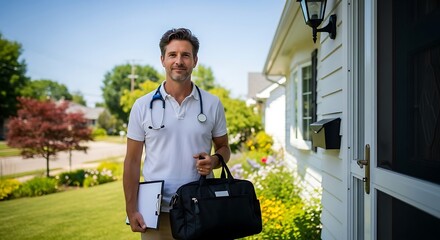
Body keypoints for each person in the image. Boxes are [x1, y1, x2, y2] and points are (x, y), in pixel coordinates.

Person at [123, 28, 231, 240]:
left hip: (201, 208)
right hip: (156, 213)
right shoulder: (142, 106)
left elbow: (224, 148)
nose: (178, 61)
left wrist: (215, 160)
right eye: (172, 55)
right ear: (163, 59)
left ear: (195, 60)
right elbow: (132, 161)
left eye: (185, 55)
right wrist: (131, 208)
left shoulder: (212, 104)